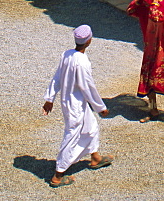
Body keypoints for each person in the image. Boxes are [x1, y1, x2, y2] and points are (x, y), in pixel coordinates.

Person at [42, 24, 113, 187]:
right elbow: (87, 86)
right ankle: (58, 175)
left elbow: (57, 77)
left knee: (91, 127)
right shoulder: (82, 62)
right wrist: (100, 107)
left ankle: (96, 158)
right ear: (89, 41)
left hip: (72, 102)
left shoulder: (67, 54)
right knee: (72, 135)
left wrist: (50, 98)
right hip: (75, 106)